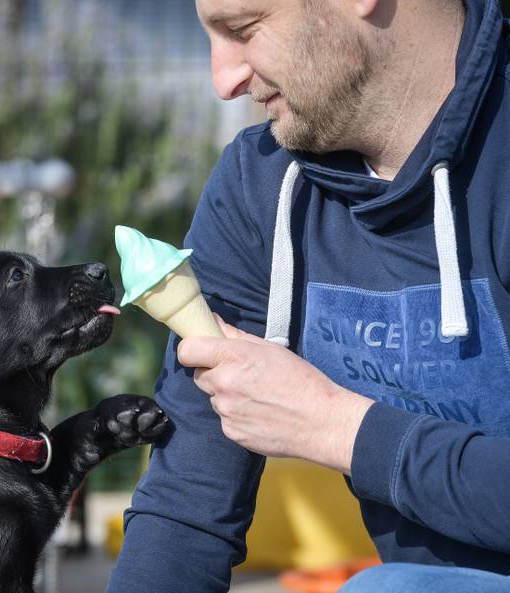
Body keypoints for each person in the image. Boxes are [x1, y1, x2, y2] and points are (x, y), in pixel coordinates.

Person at [106, 0, 510, 591]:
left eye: (243, 29)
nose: (224, 80)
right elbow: (187, 507)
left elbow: (337, 429)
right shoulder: (258, 186)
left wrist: (337, 427)